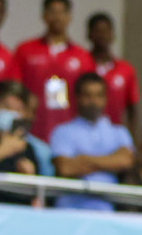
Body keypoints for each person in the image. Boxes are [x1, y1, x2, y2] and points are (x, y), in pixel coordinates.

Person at [14, 0, 93, 143]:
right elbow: (15, 89)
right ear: (43, 16)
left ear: (70, 17)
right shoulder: (25, 50)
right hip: (33, 130)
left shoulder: (82, 56)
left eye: (62, 12)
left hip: (70, 131)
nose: (57, 17)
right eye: (52, 12)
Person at [50, 74, 135, 212]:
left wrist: (83, 159)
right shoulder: (62, 132)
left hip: (109, 210)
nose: (93, 101)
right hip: (69, 209)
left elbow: (126, 161)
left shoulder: (120, 132)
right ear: (77, 98)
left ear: (105, 98)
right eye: (87, 96)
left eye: (98, 95)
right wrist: (110, 161)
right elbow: (66, 168)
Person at [83, 14, 138, 136]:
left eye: (106, 31)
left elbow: (132, 109)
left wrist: (133, 137)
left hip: (114, 134)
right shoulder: (80, 64)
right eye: (98, 31)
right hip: (83, 132)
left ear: (113, 35)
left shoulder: (126, 69)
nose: (102, 35)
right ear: (89, 35)